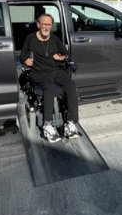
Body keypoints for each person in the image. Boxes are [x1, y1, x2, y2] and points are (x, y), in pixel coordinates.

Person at [21, 12, 80, 141]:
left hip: (55, 70)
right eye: (44, 24)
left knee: (70, 85)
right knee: (50, 87)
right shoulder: (30, 38)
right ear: (38, 25)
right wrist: (26, 60)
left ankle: (70, 122)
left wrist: (61, 57)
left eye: (49, 25)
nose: (46, 27)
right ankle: (47, 125)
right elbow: (22, 55)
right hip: (39, 72)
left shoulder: (54, 39)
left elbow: (66, 54)